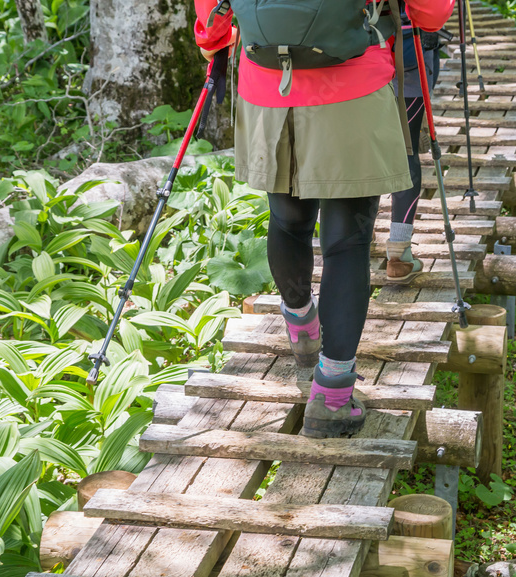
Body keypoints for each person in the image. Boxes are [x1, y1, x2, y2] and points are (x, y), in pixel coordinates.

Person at [195, 0, 454, 438]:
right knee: (346, 243)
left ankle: (301, 327)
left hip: (268, 85)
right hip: (352, 85)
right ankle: (332, 396)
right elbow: (431, 14)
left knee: (286, 221)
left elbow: (211, 22)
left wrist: (216, 39)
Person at [386, 13, 449, 283]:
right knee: (406, 150)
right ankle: (398, 253)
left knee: (355, 154)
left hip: (346, 66)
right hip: (405, 59)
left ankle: (350, 246)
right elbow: (434, 13)